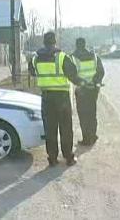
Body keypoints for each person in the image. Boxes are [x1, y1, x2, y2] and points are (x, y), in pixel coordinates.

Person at [32, 32, 82, 167]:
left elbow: (32, 72)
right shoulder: (62, 57)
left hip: (46, 97)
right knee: (65, 128)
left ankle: (52, 158)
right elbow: (73, 75)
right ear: (55, 42)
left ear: (44, 42)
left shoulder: (36, 58)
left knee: (50, 129)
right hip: (62, 98)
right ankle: (68, 157)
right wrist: (81, 83)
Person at [71, 38, 105, 146]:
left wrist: (81, 83)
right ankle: (93, 135)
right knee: (92, 113)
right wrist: (95, 82)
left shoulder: (73, 57)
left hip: (82, 90)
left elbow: (72, 74)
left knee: (83, 115)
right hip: (93, 89)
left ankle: (86, 139)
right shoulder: (94, 56)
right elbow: (101, 72)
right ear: (85, 45)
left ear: (76, 45)